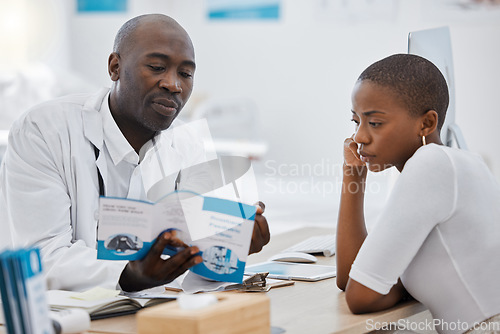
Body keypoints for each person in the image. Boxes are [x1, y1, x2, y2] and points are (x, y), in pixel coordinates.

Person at [0, 14, 270, 293]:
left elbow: (191, 265)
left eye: (185, 74)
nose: (173, 84)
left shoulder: (185, 143)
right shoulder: (44, 130)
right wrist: (128, 274)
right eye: (156, 67)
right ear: (115, 67)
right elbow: (42, 255)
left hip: (150, 315)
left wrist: (228, 251)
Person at [336, 54, 500, 334]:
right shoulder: (465, 162)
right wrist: (353, 175)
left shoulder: (429, 164)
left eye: (374, 123)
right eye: (356, 121)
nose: (359, 137)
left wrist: (389, 286)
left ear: (426, 124)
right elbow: (352, 280)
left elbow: (359, 296)